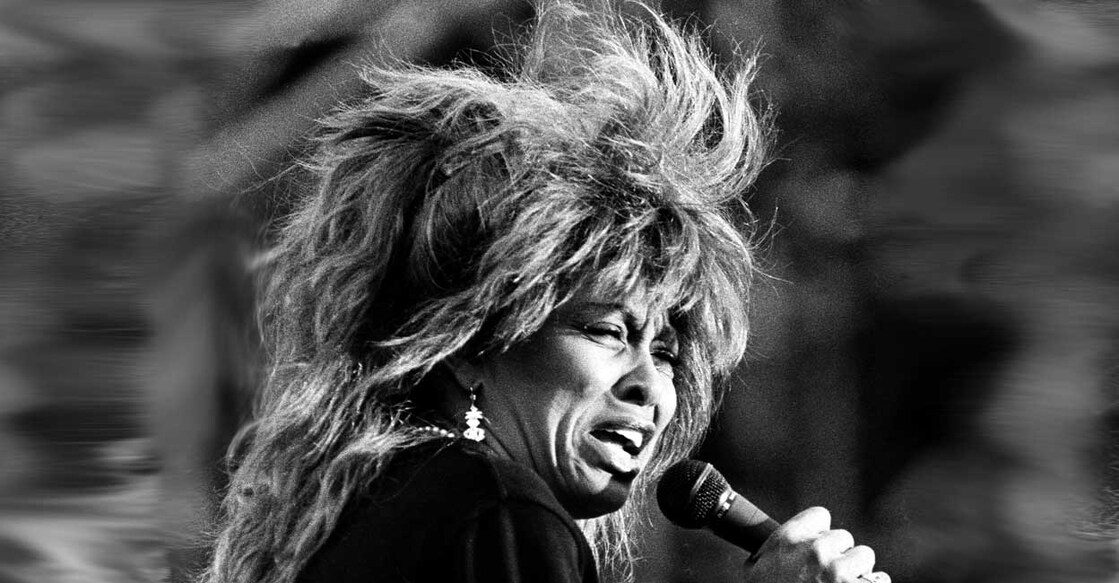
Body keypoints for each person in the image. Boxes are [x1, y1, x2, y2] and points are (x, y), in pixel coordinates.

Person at [201, 2, 889, 583]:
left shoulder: (362, 506)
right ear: (473, 339)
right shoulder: (496, 510)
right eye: (609, 332)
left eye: (671, 353)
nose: (652, 387)